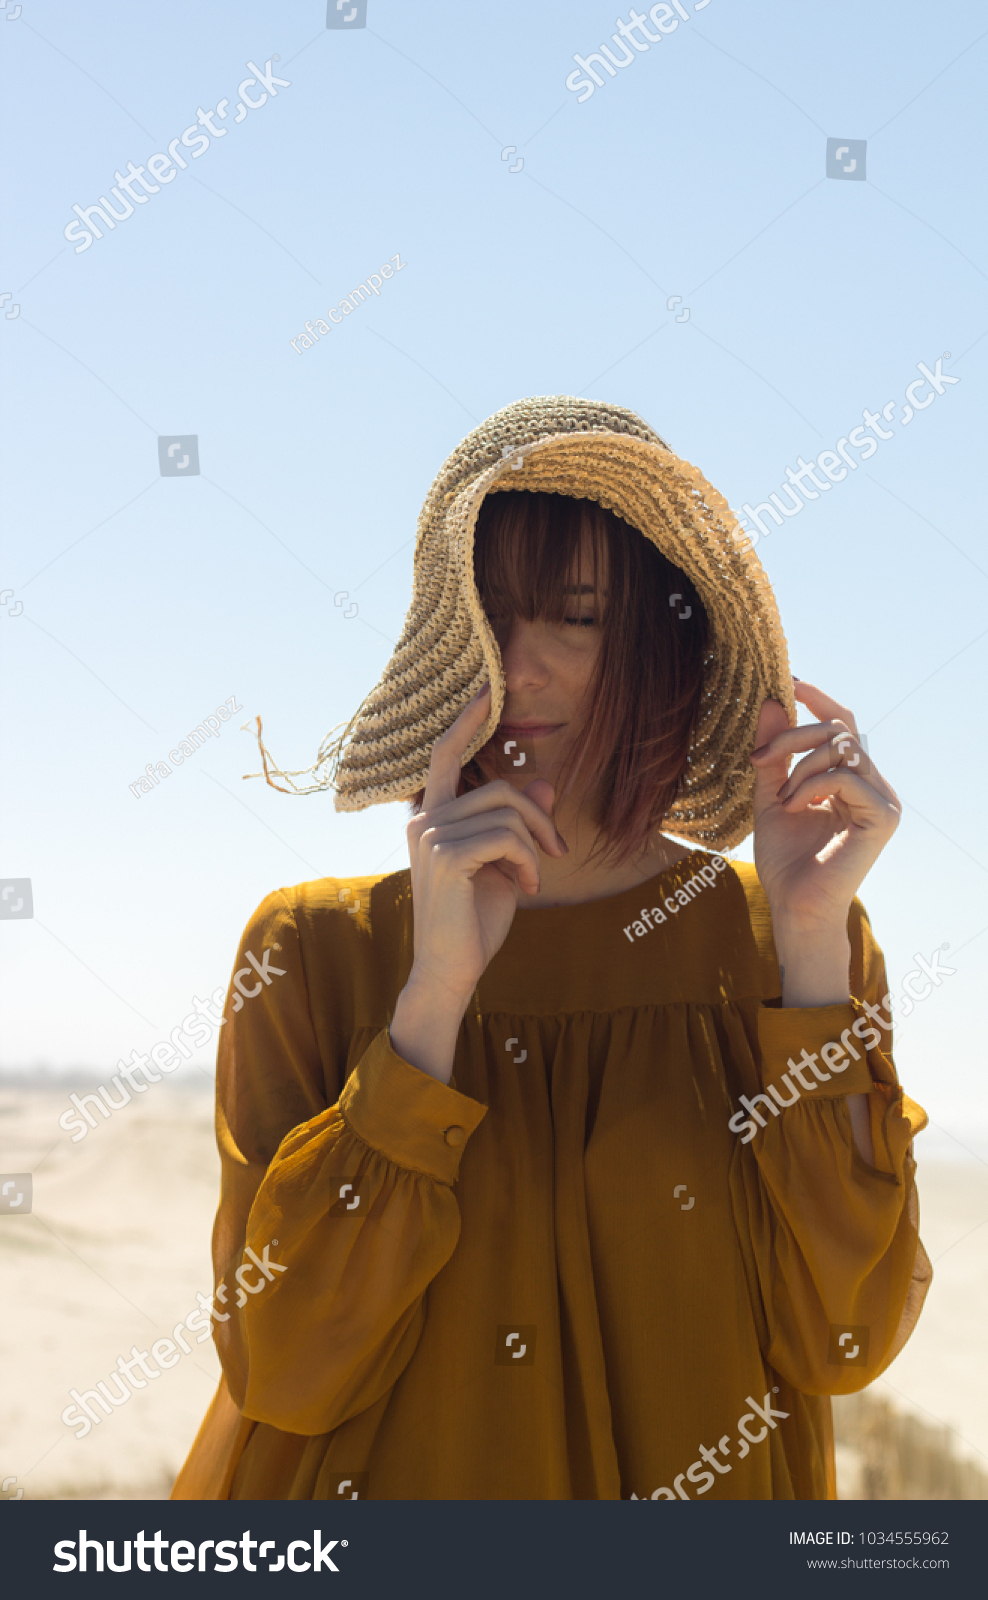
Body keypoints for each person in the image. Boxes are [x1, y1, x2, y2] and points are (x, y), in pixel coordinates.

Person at [172, 396, 929, 1502]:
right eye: (486, 623)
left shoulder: (786, 944)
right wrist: (433, 995)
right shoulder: (314, 948)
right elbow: (284, 1369)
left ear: (665, 648)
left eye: (574, 617)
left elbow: (844, 1337)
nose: (518, 668)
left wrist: (806, 946)